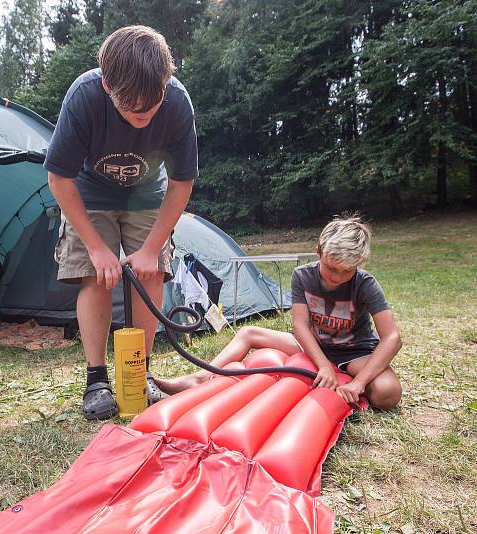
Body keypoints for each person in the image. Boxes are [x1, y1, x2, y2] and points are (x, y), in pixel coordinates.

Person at [45, 26, 198, 420]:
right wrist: (97, 248)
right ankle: (96, 379)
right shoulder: (84, 97)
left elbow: (182, 182)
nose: (143, 118)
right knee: (97, 276)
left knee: (152, 275)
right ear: (108, 84)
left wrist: (151, 250)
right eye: (132, 111)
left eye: (152, 107)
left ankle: (140, 373)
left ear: (166, 79)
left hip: (148, 196)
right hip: (89, 194)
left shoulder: (177, 103)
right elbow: (59, 179)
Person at [155, 215, 403, 410]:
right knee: (249, 331)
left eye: (346, 271)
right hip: (311, 343)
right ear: (318, 252)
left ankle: (353, 378)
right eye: (331, 267)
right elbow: (301, 327)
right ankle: (200, 377)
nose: (337, 277)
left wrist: (359, 383)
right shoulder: (303, 275)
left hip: (354, 352)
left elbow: (392, 338)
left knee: (387, 393)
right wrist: (323, 366)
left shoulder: (365, 283)